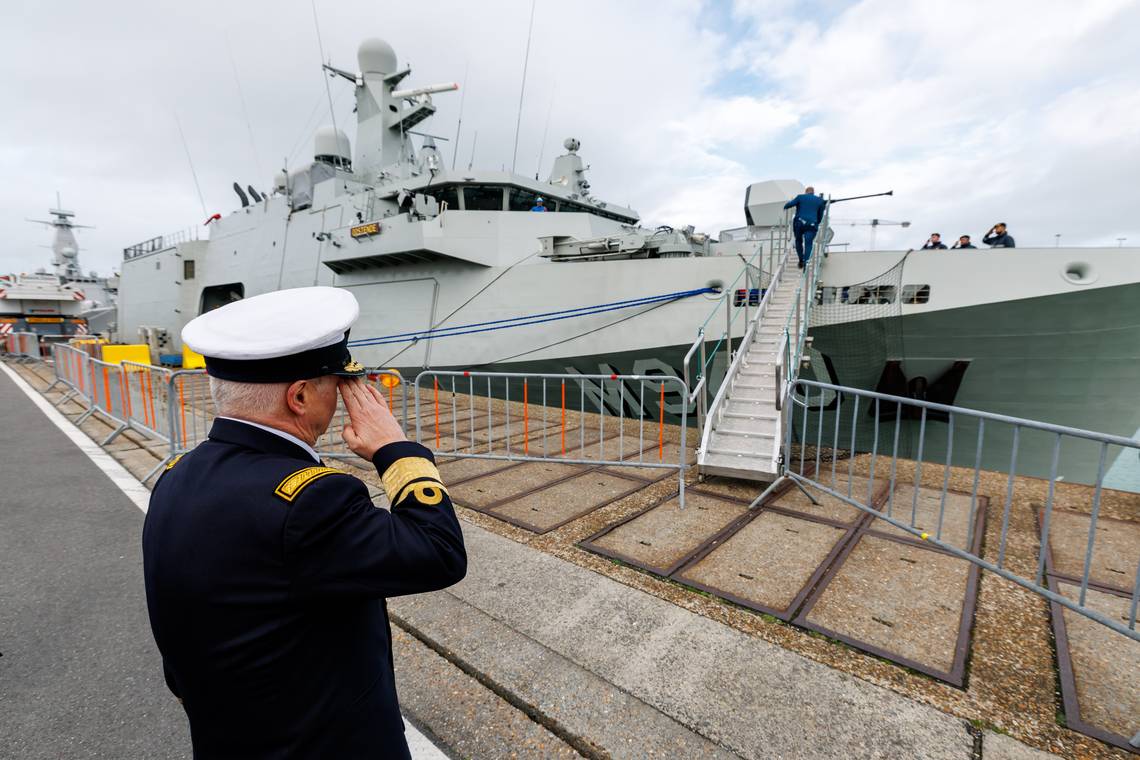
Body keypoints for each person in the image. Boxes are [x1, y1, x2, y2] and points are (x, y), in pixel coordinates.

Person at [142, 286, 467, 759]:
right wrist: (396, 450)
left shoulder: (177, 476)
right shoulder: (312, 498)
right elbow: (439, 554)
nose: (343, 393)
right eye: (336, 381)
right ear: (298, 396)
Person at [782, 186, 826, 269]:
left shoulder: (800, 197)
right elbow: (820, 216)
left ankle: (801, 260)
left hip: (799, 223)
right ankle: (806, 263)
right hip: (811, 224)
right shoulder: (820, 200)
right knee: (808, 243)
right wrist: (817, 223)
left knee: (798, 241)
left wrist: (785, 206)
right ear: (813, 192)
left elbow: (789, 205)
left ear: (806, 192)